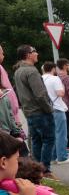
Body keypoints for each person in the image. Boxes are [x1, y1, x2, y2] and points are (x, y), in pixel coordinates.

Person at [13, 46, 55, 177]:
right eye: (34, 52)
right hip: (40, 112)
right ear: (27, 55)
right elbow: (40, 94)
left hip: (29, 111)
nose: (37, 54)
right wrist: (49, 109)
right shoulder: (31, 71)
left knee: (36, 140)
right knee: (48, 139)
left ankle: (36, 170)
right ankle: (45, 170)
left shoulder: (18, 71)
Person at [41, 62, 69, 165]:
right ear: (53, 69)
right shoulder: (55, 79)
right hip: (57, 107)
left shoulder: (40, 78)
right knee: (61, 133)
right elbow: (60, 93)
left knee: (52, 134)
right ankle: (62, 157)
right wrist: (62, 86)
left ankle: (53, 156)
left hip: (46, 108)